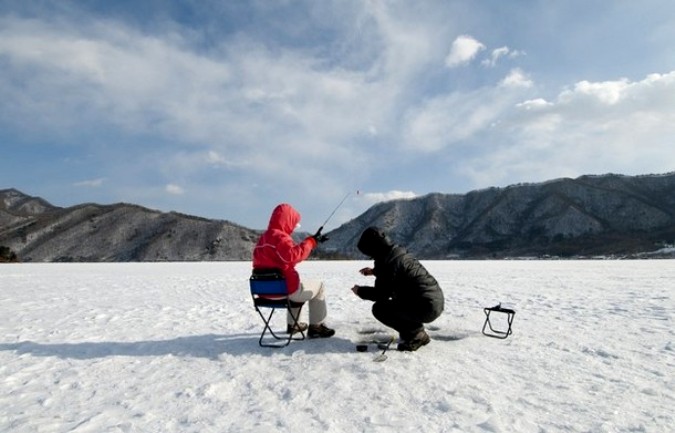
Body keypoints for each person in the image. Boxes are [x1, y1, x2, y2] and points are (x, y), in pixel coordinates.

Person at [351, 226, 444, 351]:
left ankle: (416, 335)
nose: (371, 257)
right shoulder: (397, 251)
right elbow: (397, 271)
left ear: (374, 248)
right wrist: (374, 271)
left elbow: (381, 294)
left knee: (380, 309)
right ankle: (415, 331)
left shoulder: (386, 263)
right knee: (397, 300)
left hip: (425, 306)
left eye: (370, 253)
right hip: (434, 300)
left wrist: (360, 291)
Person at [252, 203, 335, 338]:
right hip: (284, 291)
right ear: (287, 220)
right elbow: (293, 256)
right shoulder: (280, 237)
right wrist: (311, 242)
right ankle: (317, 327)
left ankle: (294, 325)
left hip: (263, 292)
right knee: (318, 286)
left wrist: (312, 241)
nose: (294, 227)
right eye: (294, 223)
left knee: (295, 286)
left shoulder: (262, 239)